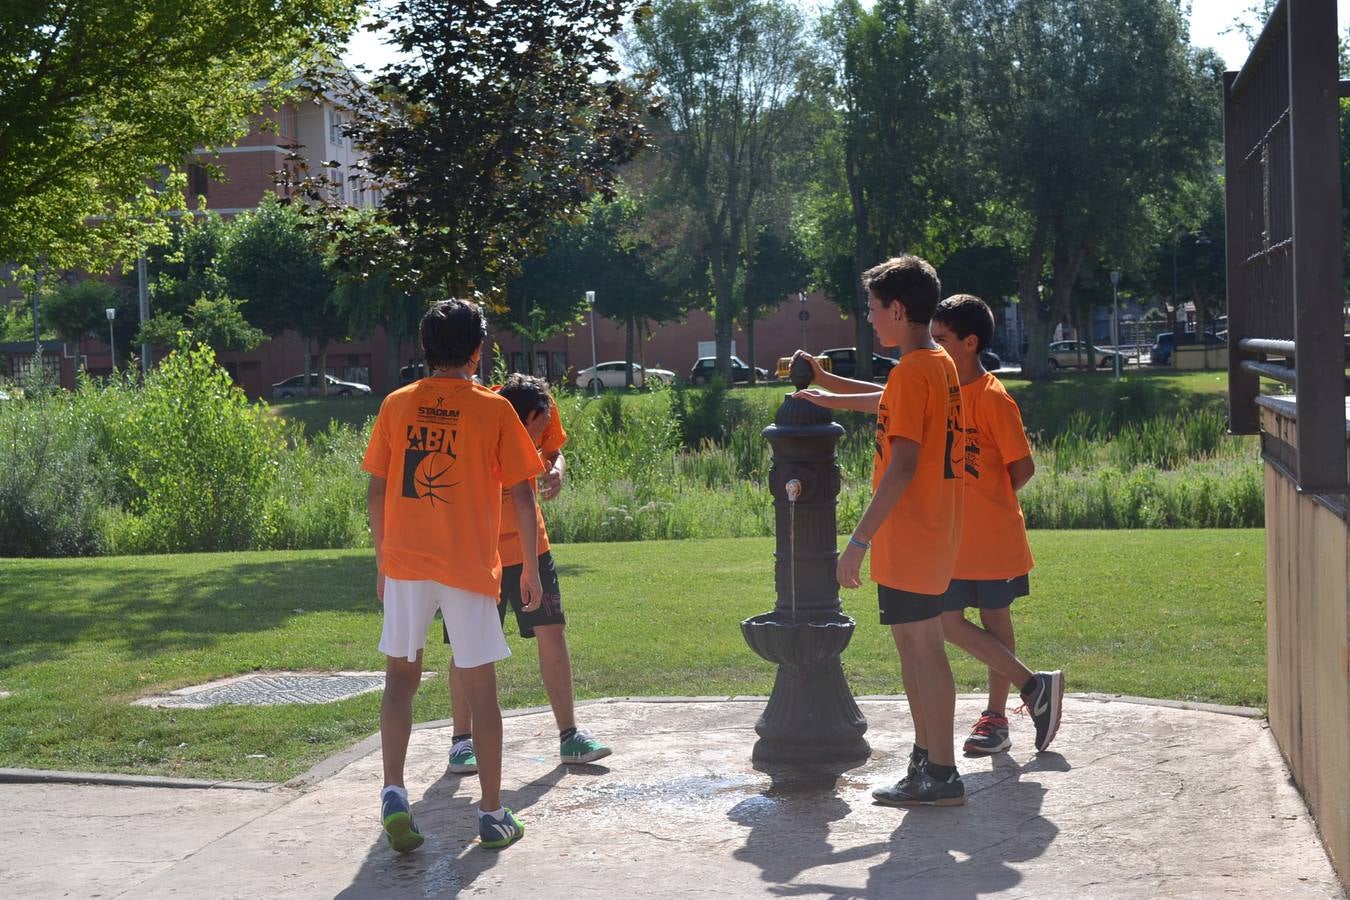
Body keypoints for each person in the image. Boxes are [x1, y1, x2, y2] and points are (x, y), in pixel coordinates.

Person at [362, 298, 543, 853]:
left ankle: (394, 792)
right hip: (467, 565)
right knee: (481, 692)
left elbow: (375, 489)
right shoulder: (494, 409)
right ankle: (490, 814)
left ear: (423, 349)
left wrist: (381, 560)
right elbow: (521, 490)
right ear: (478, 350)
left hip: (407, 564)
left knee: (400, 681)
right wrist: (530, 567)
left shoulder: (396, 405)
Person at [793, 254, 967, 807]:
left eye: (872, 309)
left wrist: (858, 540)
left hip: (912, 531)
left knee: (922, 649)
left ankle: (940, 771)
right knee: (917, 648)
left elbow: (904, 463)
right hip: (931, 528)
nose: (868, 319)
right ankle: (929, 760)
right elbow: (889, 401)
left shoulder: (917, 369)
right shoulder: (933, 363)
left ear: (897, 309)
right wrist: (828, 389)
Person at [443, 373, 612, 774]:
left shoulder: (540, 407)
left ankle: (570, 736)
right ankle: (460, 741)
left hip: (530, 545)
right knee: (468, 646)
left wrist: (557, 469)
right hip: (478, 551)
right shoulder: (479, 413)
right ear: (524, 417)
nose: (537, 442)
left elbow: (553, 452)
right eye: (534, 430)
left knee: (551, 628)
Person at [930, 294, 1063, 755]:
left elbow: (1022, 468)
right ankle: (1034, 686)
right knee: (946, 621)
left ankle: (996, 719)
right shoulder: (939, 390)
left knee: (993, 618)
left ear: (969, 343)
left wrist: (988, 499)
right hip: (953, 539)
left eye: (941, 339)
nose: (934, 347)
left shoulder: (993, 398)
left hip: (994, 537)